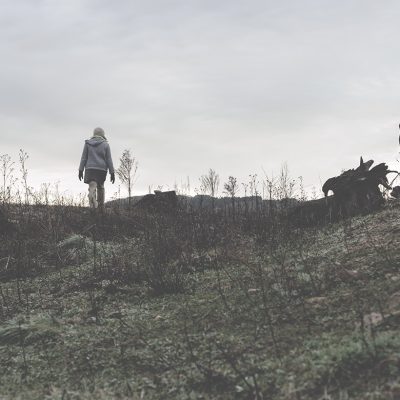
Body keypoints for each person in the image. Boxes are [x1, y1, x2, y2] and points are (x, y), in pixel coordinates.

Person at [78, 127, 115, 209]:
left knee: (92, 187)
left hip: (90, 169)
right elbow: (109, 159)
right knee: (101, 188)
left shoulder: (87, 144)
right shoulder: (106, 145)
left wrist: (80, 170)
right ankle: (101, 208)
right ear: (103, 134)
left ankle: (93, 206)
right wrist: (112, 172)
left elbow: (84, 158)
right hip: (101, 170)